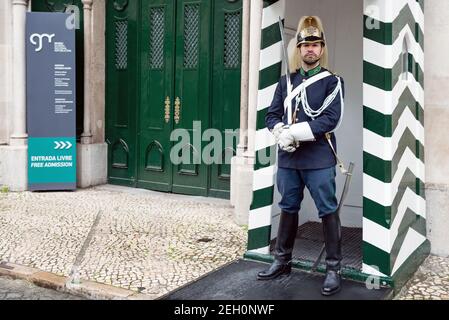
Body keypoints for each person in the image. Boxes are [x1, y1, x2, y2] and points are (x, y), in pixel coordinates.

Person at [257, 16, 345, 296]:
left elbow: (330, 119)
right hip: (289, 160)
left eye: (315, 45)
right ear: (298, 48)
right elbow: (271, 115)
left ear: (322, 49)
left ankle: (333, 268)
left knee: (327, 210)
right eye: (305, 44)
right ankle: (282, 261)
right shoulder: (286, 82)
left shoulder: (333, 82)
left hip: (318, 158)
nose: (310, 49)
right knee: (288, 207)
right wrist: (279, 130)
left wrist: (294, 133)